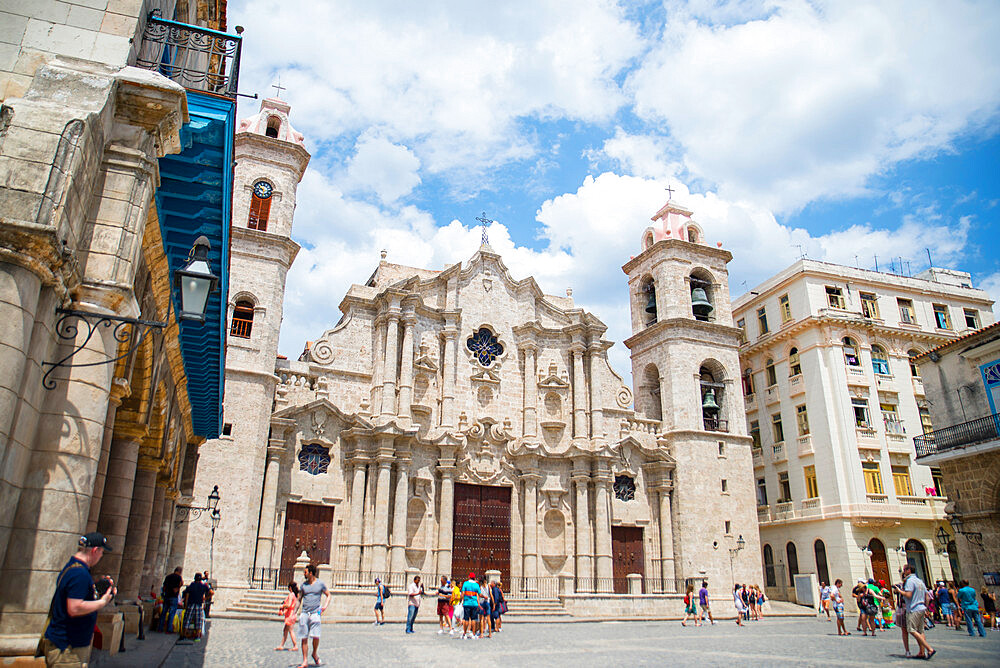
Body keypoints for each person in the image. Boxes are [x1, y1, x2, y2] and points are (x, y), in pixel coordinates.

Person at [39, 532, 116, 667]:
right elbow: (74, 608)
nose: (101, 556)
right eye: (102, 552)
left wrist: (97, 592)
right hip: (67, 648)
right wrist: (102, 602)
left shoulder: (74, 567)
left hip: (67, 644)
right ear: (95, 550)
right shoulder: (79, 574)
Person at [295, 563, 331, 668]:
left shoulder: (320, 584)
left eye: (305, 572)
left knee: (316, 636)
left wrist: (324, 607)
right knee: (304, 637)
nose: (304, 574)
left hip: (315, 613)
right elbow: (299, 599)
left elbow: (328, 595)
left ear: (311, 573)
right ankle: (305, 660)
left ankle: (314, 653)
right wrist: (294, 612)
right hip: (305, 613)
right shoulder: (303, 585)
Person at [896, 563, 935, 660]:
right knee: (920, 631)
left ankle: (929, 649)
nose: (903, 572)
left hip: (913, 609)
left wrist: (899, 591)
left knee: (911, 630)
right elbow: (927, 596)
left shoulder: (909, 581)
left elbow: (908, 595)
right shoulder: (920, 581)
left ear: (909, 570)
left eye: (904, 570)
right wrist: (925, 607)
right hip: (921, 608)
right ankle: (922, 652)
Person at [181, 572, 208, 640]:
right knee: (198, 621)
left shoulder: (191, 585)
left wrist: (185, 605)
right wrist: (205, 598)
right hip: (198, 605)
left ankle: (184, 635)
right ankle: (197, 636)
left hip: (191, 604)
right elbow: (211, 592)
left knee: (187, 620)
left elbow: (187, 595)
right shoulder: (203, 586)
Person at [158, 567, 183, 632]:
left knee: (164, 612)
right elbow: (180, 584)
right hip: (173, 597)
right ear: (179, 571)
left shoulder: (168, 577)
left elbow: (164, 587)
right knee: (171, 613)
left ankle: (160, 628)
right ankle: (169, 629)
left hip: (167, 596)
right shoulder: (178, 577)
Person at [277, 582, 299, 651]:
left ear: (290, 588)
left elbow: (289, 605)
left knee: (291, 630)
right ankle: (281, 645)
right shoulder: (295, 595)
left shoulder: (291, 595)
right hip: (292, 614)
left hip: (290, 615)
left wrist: (282, 606)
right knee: (285, 630)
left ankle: (295, 646)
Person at [461, 572, 481, 639]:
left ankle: (465, 633)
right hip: (474, 604)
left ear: (469, 577)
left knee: (466, 619)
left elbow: (463, 593)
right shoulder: (476, 585)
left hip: (467, 603)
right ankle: (473, 634)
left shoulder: (465, 583)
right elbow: (479, 594)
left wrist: (461, 600)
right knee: (473, 619)